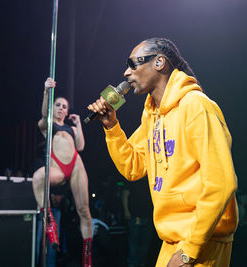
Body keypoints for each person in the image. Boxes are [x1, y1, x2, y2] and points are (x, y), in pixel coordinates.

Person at [87, 37, 238, 267]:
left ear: (159, 62)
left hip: (202, 239)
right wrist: (111, 126)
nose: (126, 73)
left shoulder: (196, 106)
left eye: (133, 64)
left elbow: (222, 182)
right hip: (172, 240)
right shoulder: (153, 115)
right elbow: (133, 167)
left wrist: (189, 250)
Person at [32, 78, 93, 267]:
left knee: (84, 210)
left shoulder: (71, 128)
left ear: (67, 111)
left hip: (75, 165)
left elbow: (81, 146)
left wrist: (78, 125)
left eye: (63, 106)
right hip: (57, 168)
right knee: (37, 177)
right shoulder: (49, 126)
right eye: (57, 105)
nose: (60, 108)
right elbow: (44, 115)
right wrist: (46, 92)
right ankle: (50, 223)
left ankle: (87, 256)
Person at [122, 178, 154, 267]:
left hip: (149, 216)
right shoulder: (133, 178)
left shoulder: (151, 178)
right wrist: (126, 211)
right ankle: (133, 264)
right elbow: (125, 195)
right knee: (134, 243)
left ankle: (141, 264)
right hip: (136, 216)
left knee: (145, 244)